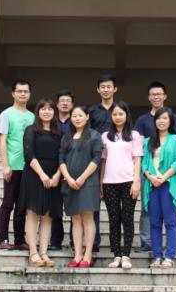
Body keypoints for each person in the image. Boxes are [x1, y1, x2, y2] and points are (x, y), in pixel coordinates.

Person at [133, 81, 176, 252]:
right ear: (148, 97)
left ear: (165, 96)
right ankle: (147, 242)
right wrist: (148, 174)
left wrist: (165, 175)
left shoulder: (174, 119)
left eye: (159, 94)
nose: (156, 97)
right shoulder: (142, 120)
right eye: (153, 94)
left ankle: (169, 251)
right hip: (149, 173)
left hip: (168, 175)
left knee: (169, 218)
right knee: (146, 209)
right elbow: (138, 146)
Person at [18, 99, 63, 268]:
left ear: (54, 112)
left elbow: (63, 156)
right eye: (43, 108)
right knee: (33, 213)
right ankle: (33, 252)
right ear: (38, 112)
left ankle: (43, 252)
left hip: (54, 177)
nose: (47, 111)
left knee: (48, 215)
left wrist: (57, 175)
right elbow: (29, 154)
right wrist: (42, 175)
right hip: (34, 175)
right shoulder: (31, 130)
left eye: (50, 109)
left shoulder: (58, 133)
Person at [100, 101, 143, 269]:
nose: (118, 117)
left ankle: (126, 255)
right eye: (115, 114)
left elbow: (137, 160)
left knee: (127, 218)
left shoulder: (134, 135)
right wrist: (101, 183)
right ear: (111, 116)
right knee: (114, 220)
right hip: (109, 182)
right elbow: (103, 161)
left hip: (128, 182)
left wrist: (136, 182)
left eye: (121, 114)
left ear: (126, 115)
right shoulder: (105, 136)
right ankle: (116, 255)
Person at [142, 107, 176, 269]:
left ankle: (170, 256)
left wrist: (164, 177)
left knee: (170, 222)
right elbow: (144, 164)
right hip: (152, 185)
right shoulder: (148, 141)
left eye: (165, 118)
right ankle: (157, 256)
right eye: (159, 118)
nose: (161, 121)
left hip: (169, 185)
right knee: (154, 223)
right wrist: (151, 177)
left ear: (170, 121)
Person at [59, 106, 102, 268]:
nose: (77, 118)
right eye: (74, 116)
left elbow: (97, 158)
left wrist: (82, 178)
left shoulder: (94, 135)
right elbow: (61, 159)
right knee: (75, 219)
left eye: (80, 115)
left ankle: (88, 254)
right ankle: (77, 255)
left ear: (87, 117)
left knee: (88, 217)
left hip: (89, 183)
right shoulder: (66, 137)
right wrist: (69, 178)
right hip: (70, 183)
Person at [0, 80, 35, 251]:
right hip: (13, 166)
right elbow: (2, 140)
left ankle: (20, 240)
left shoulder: (32, 116)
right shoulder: (6, 114)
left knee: (22, 206)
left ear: (29, 94)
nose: (23, 94)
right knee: (8, 203)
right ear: (13, 93)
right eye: (19, 91)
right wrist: (5, 165)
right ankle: (3, 238)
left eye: (26, 91)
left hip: (29, 167)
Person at [86, 75, 118, 252]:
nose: (106, 90)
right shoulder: (92, 111)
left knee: (116, 205)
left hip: (116, 161)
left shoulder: (120, 110)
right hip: (96, 161)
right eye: (103, 87)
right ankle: (94, 242)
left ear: (115, 89)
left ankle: (116, 243)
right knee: (94, 203)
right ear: (98, 90)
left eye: (109, 87)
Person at [49, 89, 75, 251]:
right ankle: (55, 241)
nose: (65, 103)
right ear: (57, 105)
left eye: (68, 101)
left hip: (73, 168)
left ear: (72, 104)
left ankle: (74, 240)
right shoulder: (51, 122)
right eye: (62, 101)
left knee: (74, 207)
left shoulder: (77, 121)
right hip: (53, 169)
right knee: (55, 207)